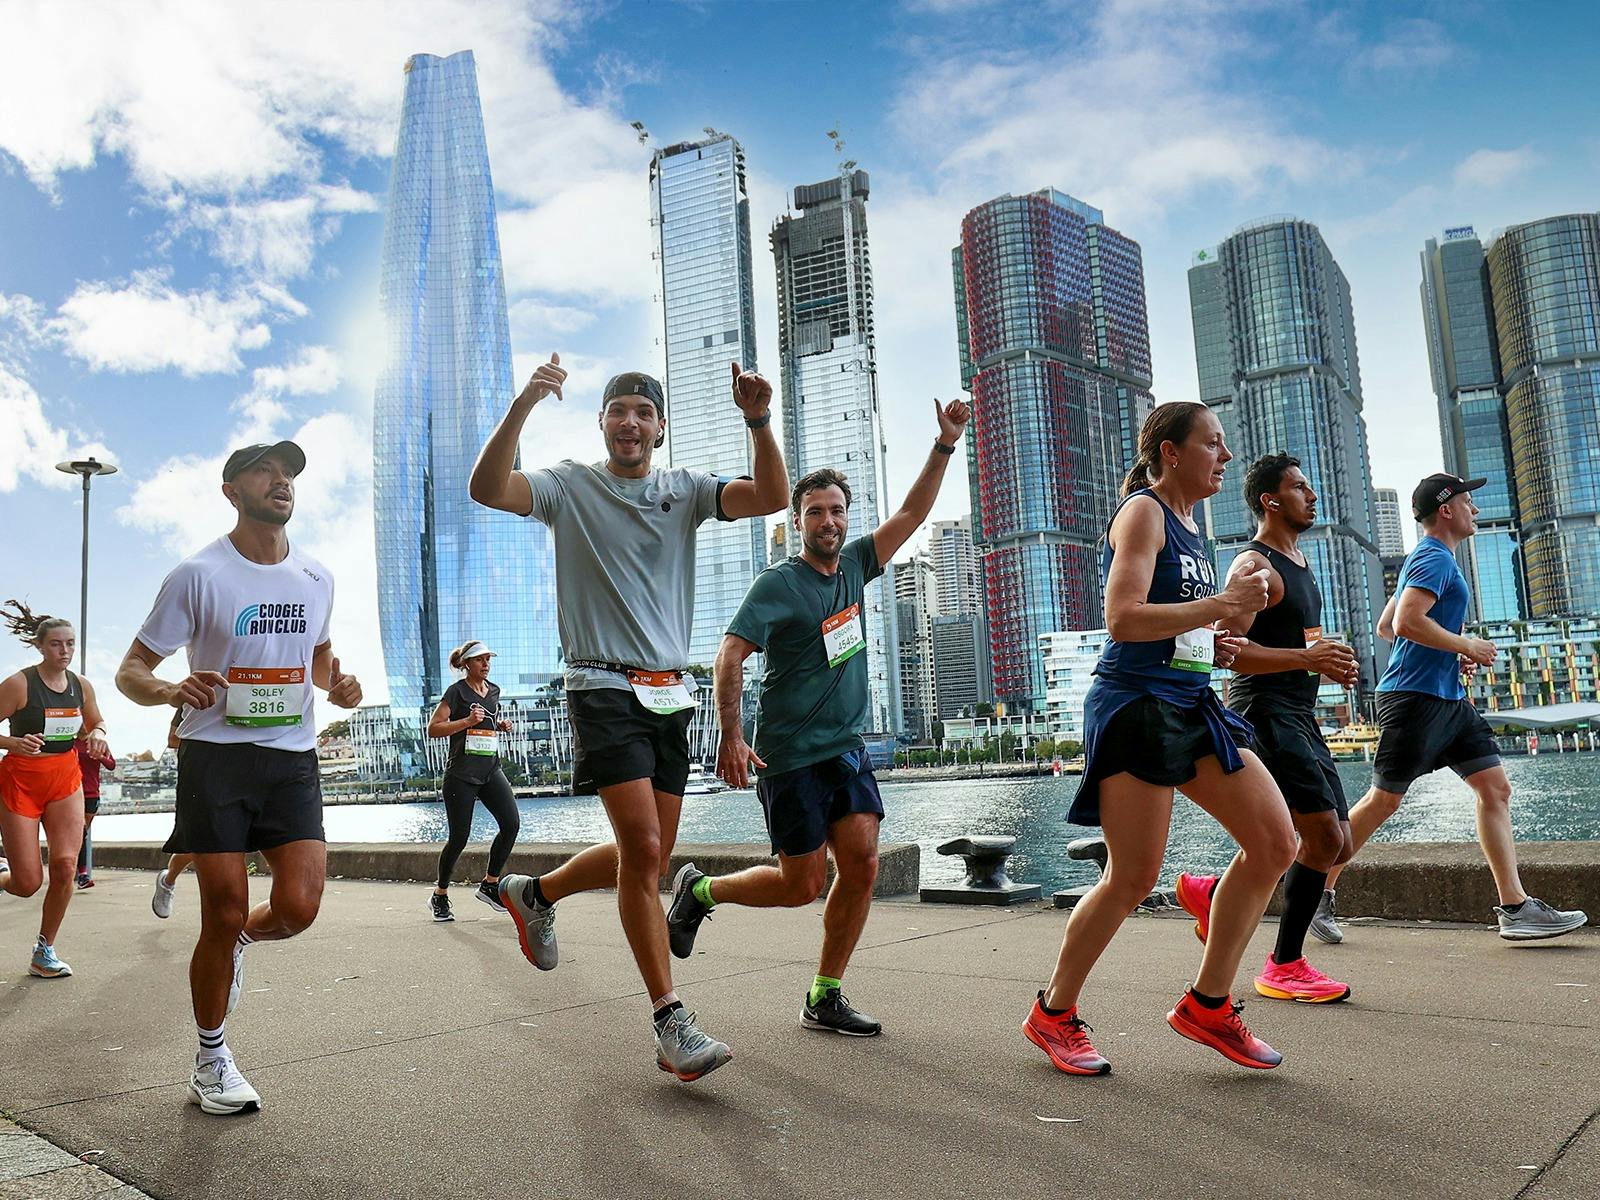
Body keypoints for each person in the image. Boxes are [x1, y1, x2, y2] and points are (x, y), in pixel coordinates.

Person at [469, 355, 787, 1082]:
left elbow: (771, 493)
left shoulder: (687, 490)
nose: (631, 423)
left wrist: (758, 420)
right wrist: (523, 401)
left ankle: (535, 891)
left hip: (671, 693)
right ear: (603, 422)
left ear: (661, 429)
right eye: (620, 411)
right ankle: (671, 1021)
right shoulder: (567, 485)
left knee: (646, 858)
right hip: (601, 685)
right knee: (645, 849)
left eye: (645, 413)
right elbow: (488, 488)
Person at [666, 399, 971, 1038]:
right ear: (797, 520)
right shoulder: (779, 584)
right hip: (790, 752)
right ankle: (699, 892)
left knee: (861, 863)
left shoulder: (858, 563)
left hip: (847, 747)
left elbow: (913, 513)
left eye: (836, 511)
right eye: (814, 512)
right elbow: (729, 654)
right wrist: (731, 733)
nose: (828, 521)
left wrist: (945, 444)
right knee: (800, 883)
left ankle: (825, 992)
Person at [1024, 402, 1297, 1077]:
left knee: (1274, 843)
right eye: (1212, 444)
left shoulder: (1192, 527)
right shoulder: (1143, 513)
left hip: (1190, 699)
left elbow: (1179, 628)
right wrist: (1224, 606)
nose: (1224, 456)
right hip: (1135, 706)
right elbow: (1122, 619)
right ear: (1170, 453)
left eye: (1225, 444)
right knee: (1132, 877)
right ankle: (1053, 1014)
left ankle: (1209, 1005)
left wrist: (1216, 642)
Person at [115, 440, 363, 1114]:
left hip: (291, 757)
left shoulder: (316, 577)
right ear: (231, 490)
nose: (280, 480)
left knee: (300, 907)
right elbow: (130, 670)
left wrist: (337, 683)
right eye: (263, 470)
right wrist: (169, 688)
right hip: (216, 758)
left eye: (287, 473)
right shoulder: (199, 574)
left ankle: (242, 942)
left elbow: (318, 657)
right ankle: (211, 1058)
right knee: (219, 912)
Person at [1314, 474, 1587, 943]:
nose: (1475, 510)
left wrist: (1449, 650)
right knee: (1384, 801)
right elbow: (1403, 622)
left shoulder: (1434, 561)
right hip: (1415, 698)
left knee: (1495, 788)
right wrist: (1465, 644)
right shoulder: (1432, 556)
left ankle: (1515, 908)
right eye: (1468, 502)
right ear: (1446, 509)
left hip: (1448, 700)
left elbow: (1386, 626)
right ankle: (1315, 893)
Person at [1175, 454, 1360, 1004]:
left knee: (1340, 844)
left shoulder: (1299, 561)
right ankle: (1284, 964)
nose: (1312, 495)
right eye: (1300, 488)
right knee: (1322, 838)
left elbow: (1301, 645)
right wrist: (1309, 658)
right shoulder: (1253, 566)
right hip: (1266, 711)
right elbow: (1227, 652)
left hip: (1299, 714)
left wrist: (1323, 661)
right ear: (1270, 501)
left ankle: (1213, 892)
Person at [0, 601, 109, 978]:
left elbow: (96, 722)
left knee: (64, 866)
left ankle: (44, 949)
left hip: (65, 780)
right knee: (27, 883)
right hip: (22, 781)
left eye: (70, 644)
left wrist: (96, 734)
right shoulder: (19, 684)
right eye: (56, 645)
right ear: (40, 646)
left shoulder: (81, 686)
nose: (65, 651)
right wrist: (12, 743)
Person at [425, 639, 518, 922]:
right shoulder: (456, 692)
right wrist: (466, 721)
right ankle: (439, 895)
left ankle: (490, 884)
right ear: (466, 664)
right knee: (459, 837)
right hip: (461, 776)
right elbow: (434, 729)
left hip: (490, 770)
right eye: (480, 660)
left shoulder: (494, 691)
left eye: (488, 659)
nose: (486, 664)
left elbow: (486, 722)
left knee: (511, 824)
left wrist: (498, 725)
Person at [152, 709, 194, 919]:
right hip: (205, 775)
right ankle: (168, 880)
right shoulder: (198, 690)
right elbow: (173, 739)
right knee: (196, 846)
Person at [76, 736, 116, 888]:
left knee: (81, 833)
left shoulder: (98, 743)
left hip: (91, 793)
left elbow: (112, 765)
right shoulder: (70, 743)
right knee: (80, 832)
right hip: (71, 793)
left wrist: (100, 757)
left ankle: (77, 870)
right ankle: (82, 874)